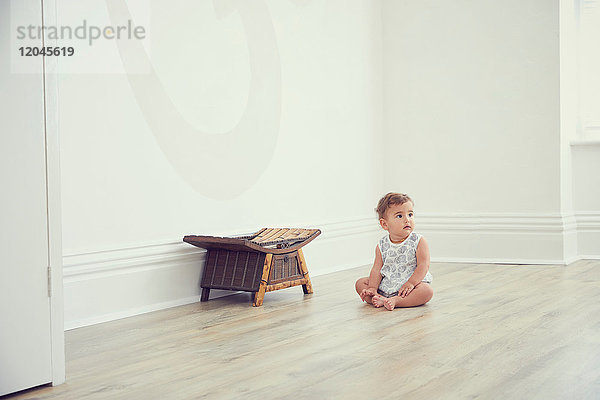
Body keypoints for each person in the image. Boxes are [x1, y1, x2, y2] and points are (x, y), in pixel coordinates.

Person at [355, 193, 433, 310]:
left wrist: (411, 283)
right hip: (388, 282)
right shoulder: (382, 245)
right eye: (399, 216)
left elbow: (423, 265)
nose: (407, 220)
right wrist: (372, 287)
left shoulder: (418, 241)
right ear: (385, 224)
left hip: (410, 284)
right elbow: (377, 269)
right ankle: (378, 297)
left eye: (410, 214)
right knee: (360, 283)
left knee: (426, 291)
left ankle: (397, 301)